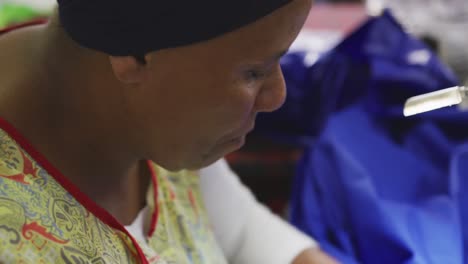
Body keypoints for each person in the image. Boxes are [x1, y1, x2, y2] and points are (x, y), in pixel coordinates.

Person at [0, 0, 336, 263]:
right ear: (133, 52)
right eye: (253, 72)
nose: (277, 96)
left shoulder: (150, 118)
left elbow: (239, 230)